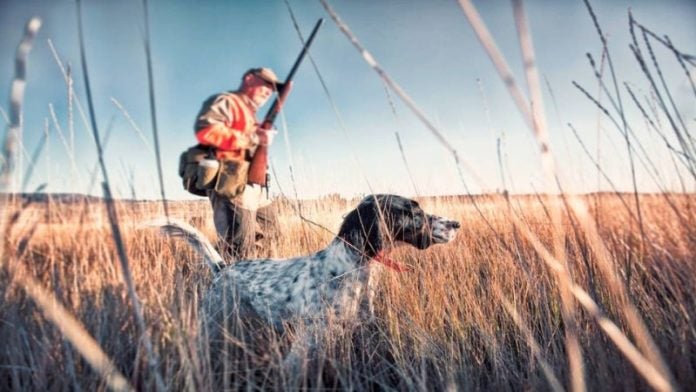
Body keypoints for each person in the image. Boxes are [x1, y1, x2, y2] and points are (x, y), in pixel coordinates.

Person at [193, 67, 281, 260]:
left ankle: (261, 286)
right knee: (239, 249)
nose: (269, 90)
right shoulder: (226, 101)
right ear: (249, 79)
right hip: (232, 183)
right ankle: (230, 289)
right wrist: (251, 137)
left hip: (257, 187)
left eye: (272, 88)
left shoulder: (249, 113)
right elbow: (206, 130)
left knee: (271, 239)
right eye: (265, 83)